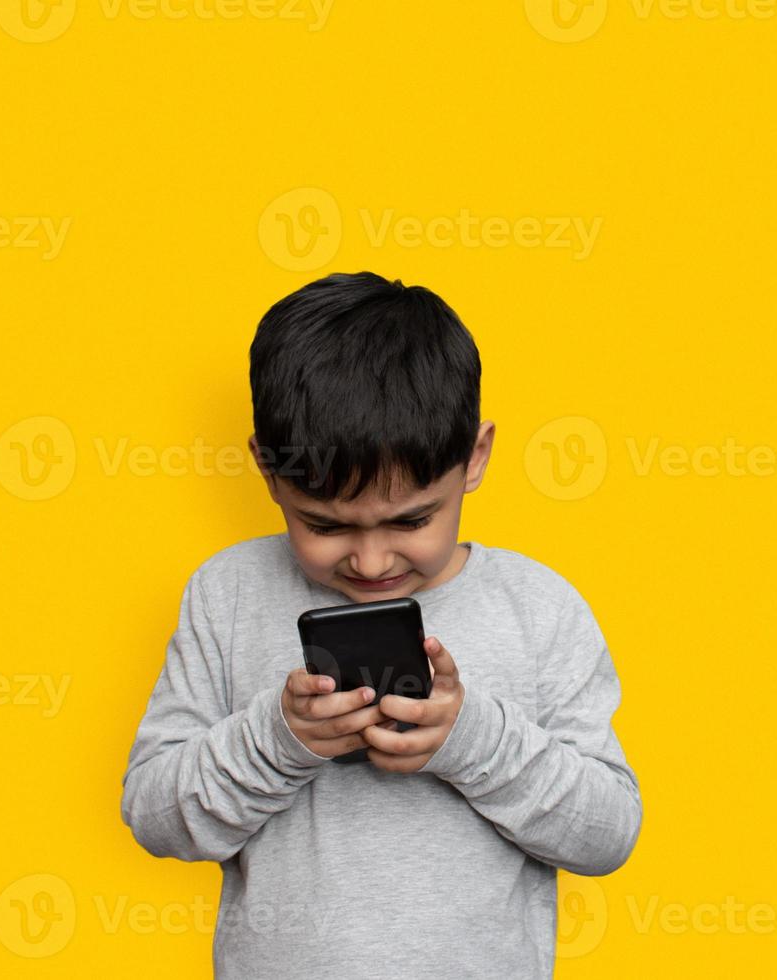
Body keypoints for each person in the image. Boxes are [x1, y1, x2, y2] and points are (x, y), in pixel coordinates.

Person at [121, 271, 641, 979]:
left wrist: (473, 740)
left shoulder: (539, 607)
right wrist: (279, 739)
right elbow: (155, 816)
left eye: (411, 520)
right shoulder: (229, 594)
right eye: (326, 525)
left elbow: (607, 834)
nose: (369, 562)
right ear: (269, 474)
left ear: (475, 458)